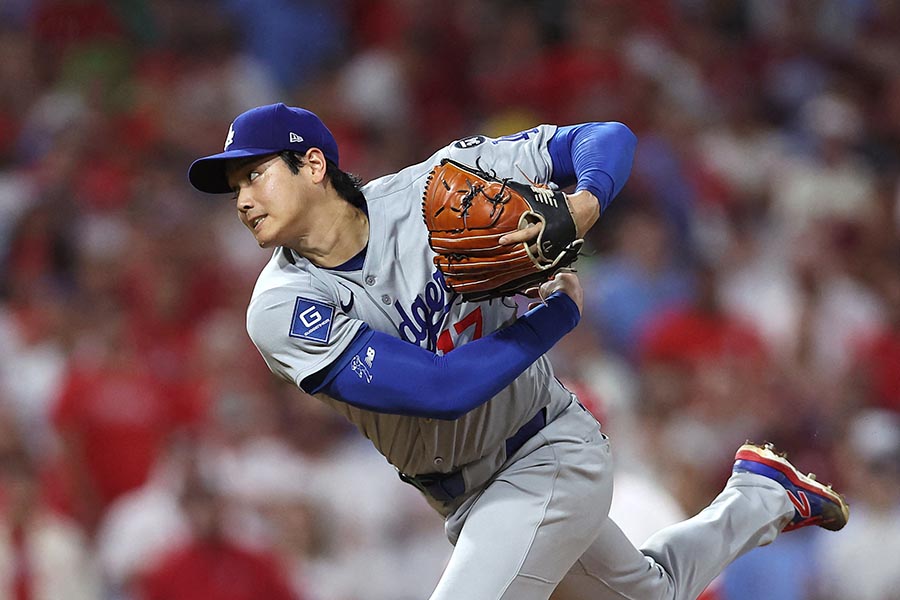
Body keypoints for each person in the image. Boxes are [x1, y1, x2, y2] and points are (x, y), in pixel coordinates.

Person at [187, 103, 849, 600]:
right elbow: (437, 390)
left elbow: (606, 138)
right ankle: (762, 496)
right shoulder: (279, 307)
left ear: (312, 164)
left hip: (546, 449)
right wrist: (553, 317)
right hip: (464, 496)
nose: (242, 200)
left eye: (254, 175)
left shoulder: (434, 191)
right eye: (234, 187)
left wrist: (585, 203)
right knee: (654, 592)